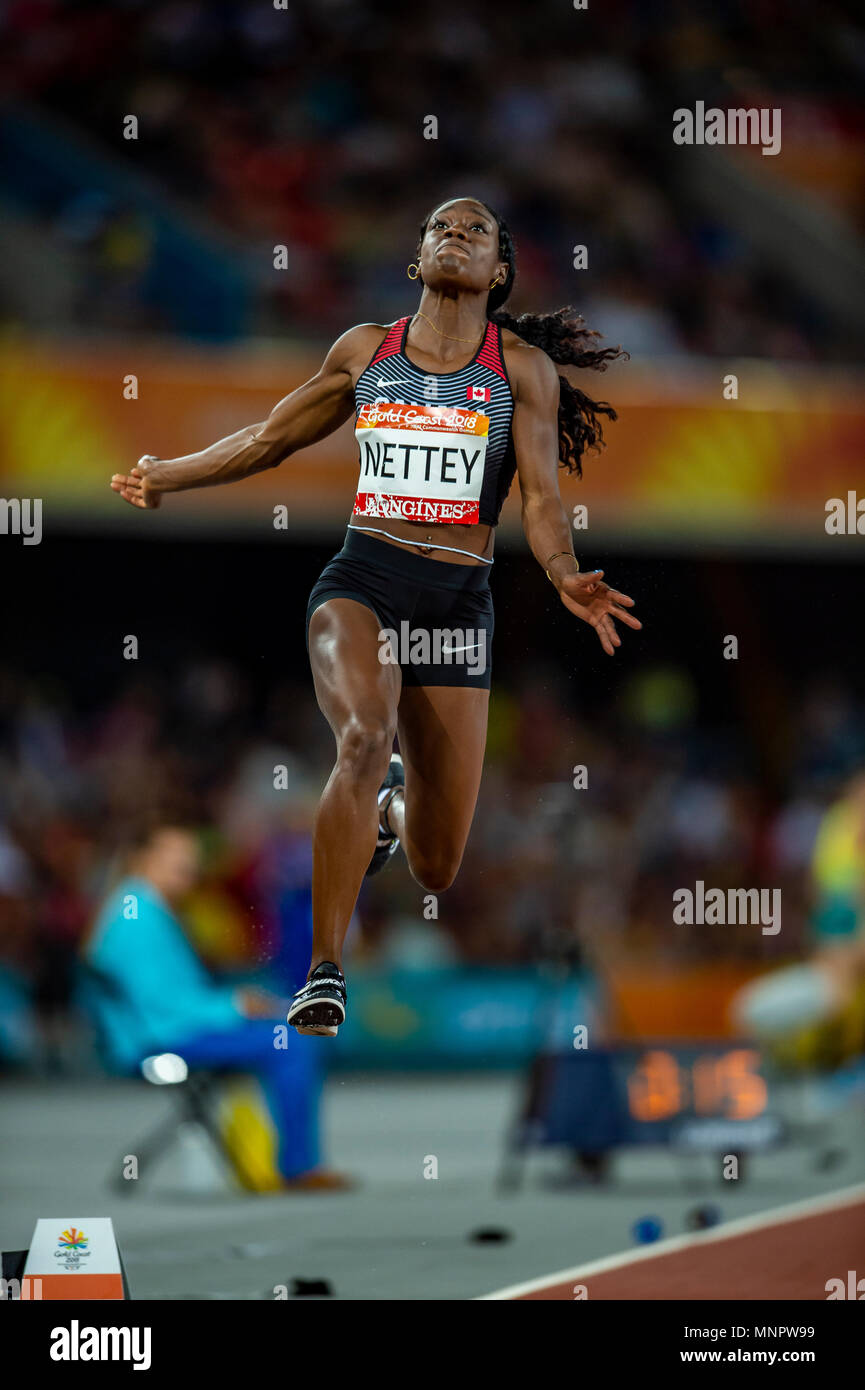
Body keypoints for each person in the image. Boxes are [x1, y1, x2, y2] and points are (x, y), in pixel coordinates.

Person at [110, 196, 642, 1036]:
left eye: (476, 231)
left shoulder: (522, 370)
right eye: (440, 226)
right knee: (362, 736)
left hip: (458, 604)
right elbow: (267, 438)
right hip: (364, 578)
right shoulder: (366, 350)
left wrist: (565, 571)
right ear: (416, 258)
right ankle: (324, 973)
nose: (456, 234)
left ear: (498, 272)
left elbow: (540, 498)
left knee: (435, 864)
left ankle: (389, 814)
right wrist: (168, 472)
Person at [83, 821, 344, 1188]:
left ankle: (296, 1165)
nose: (190, 864)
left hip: (163, 1031)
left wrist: (237, 1004)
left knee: (286, 1029)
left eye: (192, 856)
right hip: (158, 1043)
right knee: (290, 1039)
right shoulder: (137, 915)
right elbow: (164, 1008)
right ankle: (299, 1168)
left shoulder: (143, 906)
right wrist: (236, 1006)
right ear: (142, 858)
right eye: (177, 855)